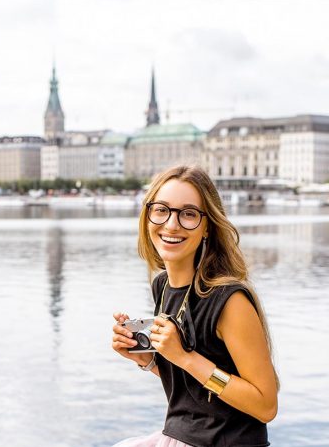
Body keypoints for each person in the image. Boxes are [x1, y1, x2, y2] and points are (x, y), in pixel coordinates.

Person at [111, 165, 279, 447]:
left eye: (188, 214)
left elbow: (265, 406)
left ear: (206, 227)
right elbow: (196, 391)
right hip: (179, 436)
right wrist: (147, 360)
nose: (172, 224)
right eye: (162, 209)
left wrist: (186, 357)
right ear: (147, 216)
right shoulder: (162, 286)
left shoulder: (230, 300)